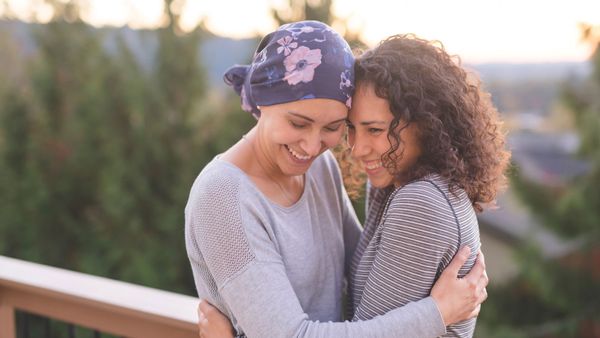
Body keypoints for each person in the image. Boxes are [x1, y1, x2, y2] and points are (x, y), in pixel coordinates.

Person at [185, 21, 487, 338]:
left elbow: (365, 271)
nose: (313, 146)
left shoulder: (318, 168)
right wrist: (437, 313)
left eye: (332, 128)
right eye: (298, 123)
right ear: (263, 101)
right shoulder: (222, 196)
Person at [341, 34, 511, 337]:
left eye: (376, 130)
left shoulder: (421, 202)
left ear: (428, 123)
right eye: (352, 129)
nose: (357, 148)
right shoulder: (397, 184)